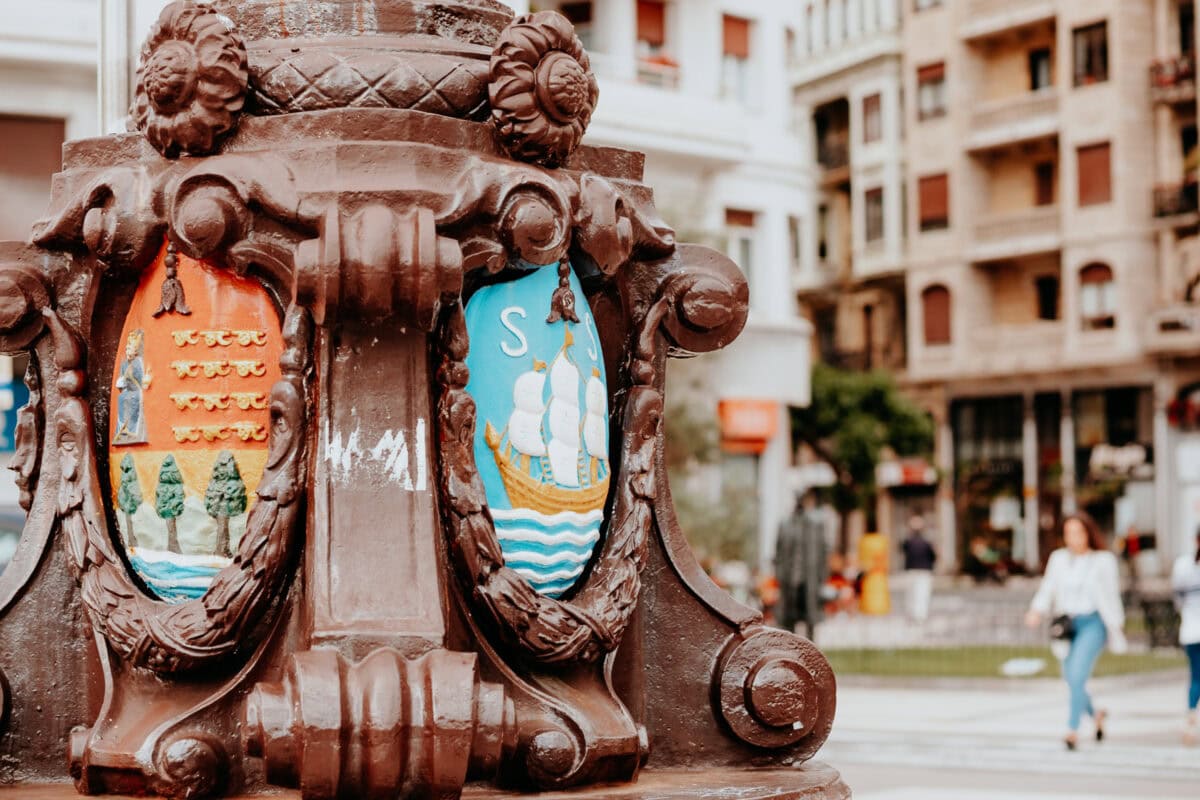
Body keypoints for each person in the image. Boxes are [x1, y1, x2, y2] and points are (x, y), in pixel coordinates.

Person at [1025, 512, 1127, 751]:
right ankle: (1097, 714)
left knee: (1078, 674)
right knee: (1071, 678)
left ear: (1088, 533)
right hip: (1067, 625)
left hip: (1093, 622)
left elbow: (1112, 594)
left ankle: (1072, 729)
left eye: (1078, 532)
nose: (1073, 538)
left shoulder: (1103, 560)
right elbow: (1048, 587)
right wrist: (1036, 610)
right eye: (1069, 533)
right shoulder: (1059, 559)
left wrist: (1117, 622)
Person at [1171, 530, 1200, 746]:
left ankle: (1190, 716)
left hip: (1191, 629)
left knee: (1196, 677)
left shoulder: (1183, 566)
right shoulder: (1184, 564)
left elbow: (1177, 599)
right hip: (1192, 629)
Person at [901, 515, 937, 622]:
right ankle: (920, 615)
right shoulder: (927, 543)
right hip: (924, 571)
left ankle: (913, 615)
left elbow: (903, 550)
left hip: (912, 570)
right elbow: (933, 556)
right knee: (922, 594)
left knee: (912, 594)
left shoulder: (908, 542)